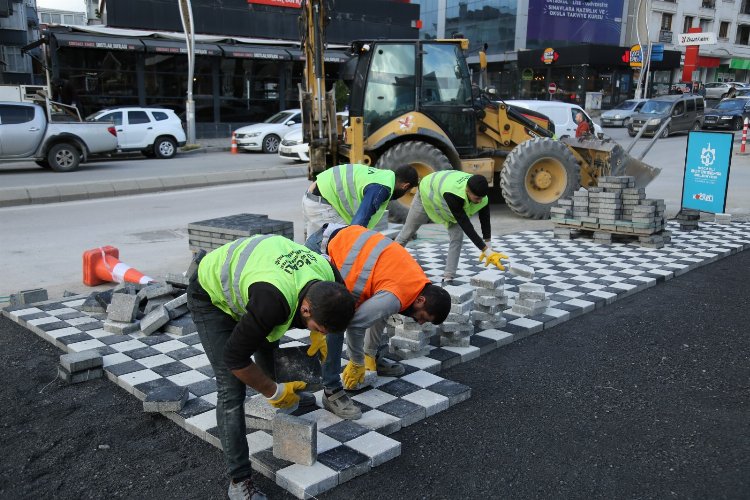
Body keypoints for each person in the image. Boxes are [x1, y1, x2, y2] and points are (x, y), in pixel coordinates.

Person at [186, 235, 356, 500]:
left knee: (268, 339)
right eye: (317, 328)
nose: (318, 332)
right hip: (209, 293)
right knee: (231, 387)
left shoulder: (330, 278)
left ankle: (282, 404)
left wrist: (320, 333)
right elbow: (235, 359)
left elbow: (281, 324)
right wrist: (273, 391)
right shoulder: (272, 299)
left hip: (257, 282)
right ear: (307, 308)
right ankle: (239, 481)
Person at [305, 224, 451, 418]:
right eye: (423, 317)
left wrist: (368, 354)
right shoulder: (398, 294)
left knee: (375, 309)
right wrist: (356, 361)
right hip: (324, 248)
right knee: (336, 319)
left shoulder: (417, 281)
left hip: (340, 238)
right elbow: (356, 325)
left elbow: (379, 310)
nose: (420, 322)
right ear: (421, 300)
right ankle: (331, 390)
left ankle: (371, 356)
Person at [394, 171, 508, 284]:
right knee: (407, 232)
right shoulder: (453, 194)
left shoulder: (480, 195)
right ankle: (388, 262)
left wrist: (488, 245)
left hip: (448, 204)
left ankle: (448, 277)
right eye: (477, 198)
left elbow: (485, 219)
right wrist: (485, 250)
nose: (479, 202)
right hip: (427, 195)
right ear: (467, 190)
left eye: (482, 198)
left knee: (457, 237)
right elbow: (466, 225)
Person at [302, 163, 418, 239]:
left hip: (311, 197)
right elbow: (359, 222)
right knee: (342, 243)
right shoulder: (381, 188)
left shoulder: (384, 176)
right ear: (405, 186)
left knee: (312, 250)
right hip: (321, 205)